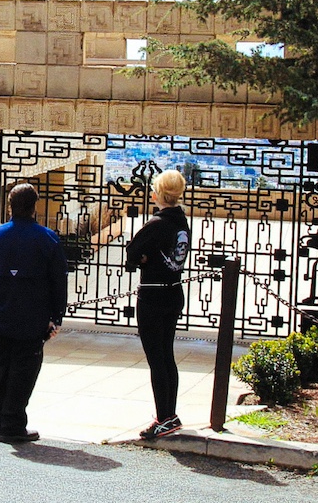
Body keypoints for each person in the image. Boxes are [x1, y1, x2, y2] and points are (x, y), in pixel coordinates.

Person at [0, 183, 67, 443]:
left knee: (2, 370)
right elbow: (58, 280)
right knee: (24, 373)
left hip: (2, 315)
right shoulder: (47, 238)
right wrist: (56, 316)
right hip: (32, 318)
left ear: (10, 206)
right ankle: (13, 424)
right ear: (34, 206)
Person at [124, 169, 192, 440]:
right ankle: (169, 413)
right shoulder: (181, 224)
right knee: (167, 355)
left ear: (157, 194)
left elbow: (131, 254)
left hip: (152, 296)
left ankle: (164, 417)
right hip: (174, 292)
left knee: (157, 359)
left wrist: (144, 260)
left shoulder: (156, 224)